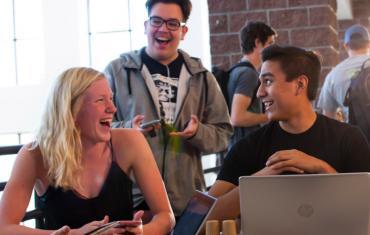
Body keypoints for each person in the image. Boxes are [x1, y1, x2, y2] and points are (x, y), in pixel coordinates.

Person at [0, 67, 175, 234]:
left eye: (111, 99)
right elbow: (4, 227)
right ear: (71, 110)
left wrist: (142, 233)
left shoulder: (130, 141)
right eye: (100, 100)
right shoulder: (34, 155)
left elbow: (166, 216)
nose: (112, 109)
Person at [207, 45, 370, 221]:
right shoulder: (248, 148)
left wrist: (322, 169)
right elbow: (201, 220)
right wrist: (255, 182)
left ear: (300, 85)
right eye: (260, 82)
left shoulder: (348, 139)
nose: (259, 92)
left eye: (268, 81)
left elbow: (364, 207)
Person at [104, 0, 233, 217]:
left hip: (185, 202)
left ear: (183, 31)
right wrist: (128, 131)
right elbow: (96, 130)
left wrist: (197, 133)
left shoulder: (202, 77)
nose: (163, 29)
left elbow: (223, 135)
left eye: (172, 23)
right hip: (132, 201)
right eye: (156, 21)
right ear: (146, 26)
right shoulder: (117, 71)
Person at [228, 21, 276, 147]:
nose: (273, 49)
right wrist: (269, 116)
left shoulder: (236, 70)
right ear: (257, 43)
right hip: (244, 148)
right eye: (270, 43)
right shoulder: (248, 74)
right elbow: (237, 117)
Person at [317, 24, 370, 122]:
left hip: (357, 135)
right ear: (369, 43)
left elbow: (328, 118)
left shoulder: (333, 75)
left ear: (345, 46)